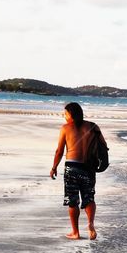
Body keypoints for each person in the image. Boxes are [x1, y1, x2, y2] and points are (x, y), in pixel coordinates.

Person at [50, 102, 104, 240]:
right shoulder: (93, 127)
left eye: (65, 114)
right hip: (88, 167)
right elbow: (103, 146)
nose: (64, 117)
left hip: (72, 167)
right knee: (89, 198)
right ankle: (91, 224)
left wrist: (54, 167)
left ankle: (76, 232)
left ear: (71, 115)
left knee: (72, 200)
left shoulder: (65, 128)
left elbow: (59, 151)